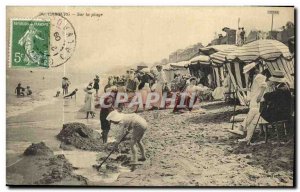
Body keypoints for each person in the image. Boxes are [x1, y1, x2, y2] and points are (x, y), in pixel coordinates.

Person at [230, 62, 267, 144]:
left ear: (252, 71)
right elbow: (250, 89)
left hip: (258, 101)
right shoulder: (254, 78)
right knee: (252, 120)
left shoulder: (259, 77)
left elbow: (264, 86)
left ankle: (241, 129)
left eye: (247, 72)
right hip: (254, 101)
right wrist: (239, 90)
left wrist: (260, 96)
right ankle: (246, 135)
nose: (247, 74)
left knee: (253, 119)